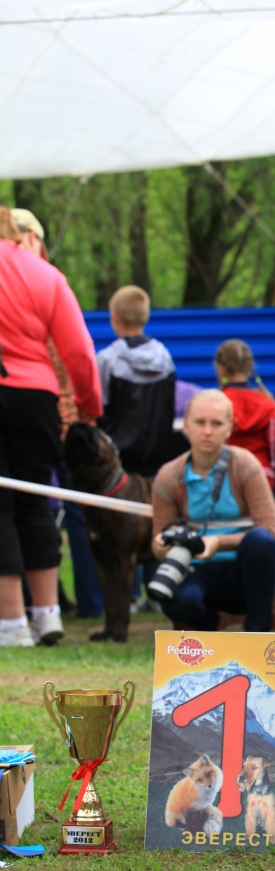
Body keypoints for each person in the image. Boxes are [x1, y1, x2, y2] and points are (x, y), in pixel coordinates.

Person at [0, 208, 102, 646]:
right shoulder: (46, 275)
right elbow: (79, 350)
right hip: (36, 397)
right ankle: (48, 614)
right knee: (36, 501)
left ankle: (12, 624)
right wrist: (88, 405)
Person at [151, 389, 275, 632]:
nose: (207, 431)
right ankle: (208, 629)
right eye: (200, 422)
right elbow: (159, 541)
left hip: (243, 573)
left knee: (261, 540)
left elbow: (271, 530)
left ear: (229, 428)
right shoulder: (167, 476)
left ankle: (258, 636)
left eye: (216, 423)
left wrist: (216, 542)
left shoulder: (246, 465)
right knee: (172, 598)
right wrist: (161, 544)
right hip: (194, 569)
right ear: (186, 426)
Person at [96, 286, 176, 479]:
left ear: (115, 317)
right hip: (158, 462)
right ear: (145, 316)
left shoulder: (107, 360)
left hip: (118, 464)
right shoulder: (164, 358)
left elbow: (99, 410)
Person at [214, 339, 275, 490]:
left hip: (224, 476)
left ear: (220, 369)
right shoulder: (267, 402)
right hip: (262, 474)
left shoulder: (216, 402)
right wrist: (273, 467)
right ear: (249, 368)